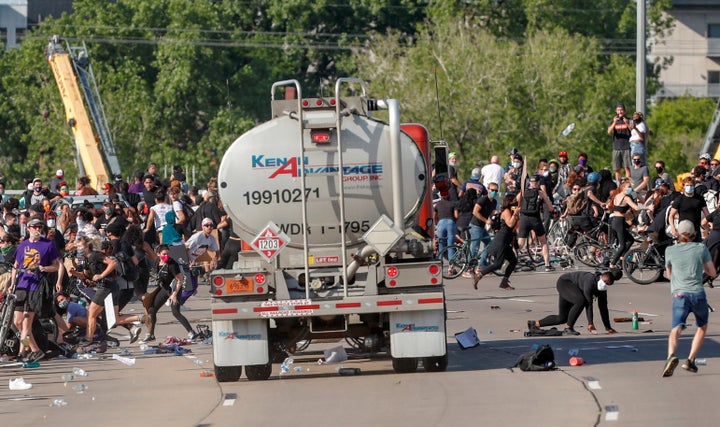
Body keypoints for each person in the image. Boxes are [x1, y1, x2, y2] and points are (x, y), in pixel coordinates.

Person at [662, 220, 717, 377]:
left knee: (676, 329)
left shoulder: (670, 250)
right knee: (702, 326)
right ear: (694, 234)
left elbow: (668, 275)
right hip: (697, 293)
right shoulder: (701, 248)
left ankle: (671, 356)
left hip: (679, 295)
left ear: (678, 234)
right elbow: (712, 272)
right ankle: (691, 360)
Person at [11, 218, 61, 362]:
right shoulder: (23, 245)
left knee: (27, 323)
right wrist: (12, 283)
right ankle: (33, 349)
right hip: (22, 286)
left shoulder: (48, 244)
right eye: (34, 227)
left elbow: (56, 266)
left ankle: (23, 352)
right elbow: (16, 264)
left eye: (40, 227)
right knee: (18, 322)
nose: (37, 229)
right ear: (28, 229)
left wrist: (44, 268)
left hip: (36, 288)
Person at [527, 269, 622, 336]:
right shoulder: (589, 282)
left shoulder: (602, 289)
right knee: (581, 301)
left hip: (572, 288)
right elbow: (589, 304)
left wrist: (608, 327)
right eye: (605, 282)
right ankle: (568, 328)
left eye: (608, 284)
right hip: (565, 283)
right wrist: (590, 323)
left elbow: (603, 307)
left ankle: (534, 324)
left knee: (562, 318)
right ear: (601, 277)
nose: (605, 285)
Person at [141, 244, 187, 343]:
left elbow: (180, 280)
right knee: (152, 309)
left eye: (168, 254)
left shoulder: (172, 264)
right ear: (158, 254)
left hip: (175, 288)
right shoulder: (157, 262)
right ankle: (151, 334)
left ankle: (192, 333)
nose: (166, 256)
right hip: (165, 289)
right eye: (164, 254)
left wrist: (174, 294)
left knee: (176, 312)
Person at [472, 195, 519, 290]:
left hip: (507, 240)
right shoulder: (506, 211)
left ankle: (504, 282)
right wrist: (515, 214)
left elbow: (516, 226)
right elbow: (510, 224)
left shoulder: (512, 212)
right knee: (498, 264)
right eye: (513, 201)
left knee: (513, 261)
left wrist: (517, 215)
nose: (515, 203)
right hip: (501, 240)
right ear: (509, 202)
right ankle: (479, 275)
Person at [515, 175, 555, 271]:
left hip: (524, 219)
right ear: (538, 183)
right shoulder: (540, 193)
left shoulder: (523, 192)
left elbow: (516, 200)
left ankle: (511, 263)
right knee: (543, 242)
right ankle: (547, 265)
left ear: (530, 183)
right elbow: (550, 207)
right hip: (535, 219)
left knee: (520, 243)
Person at [607, 179, 645, 269]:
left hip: (615, 221)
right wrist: (647, 207)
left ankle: (621, 258)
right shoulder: (626, 198)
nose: (630, 189)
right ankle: (612, 264)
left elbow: (614, 208)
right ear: (623, 188)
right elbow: (636, 207)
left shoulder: (617, 196)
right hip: (619, 222)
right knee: (623, 245)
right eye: (629, 187)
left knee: (630, 240)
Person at [668, 176, 709, 243]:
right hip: (683, 232)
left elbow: (707, 214)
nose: (689, 187)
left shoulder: (699, 199)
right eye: (687, 185)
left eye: (691, 185)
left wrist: (710, 225)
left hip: (696, 231)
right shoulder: (679, 199)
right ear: (684, 186)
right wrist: (673, 228)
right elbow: (671, 215)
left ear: (694, 186)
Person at [608, 103, 632, 183]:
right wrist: (614, 122)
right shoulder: (613, 121)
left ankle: (626, 183)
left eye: (621, 110)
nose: (620, 112)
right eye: (618, 110)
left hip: (626, 147)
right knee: (617, 168)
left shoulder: (628, 120)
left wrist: (627, 123)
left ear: (624, 111)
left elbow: (632, 130)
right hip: (616, 147)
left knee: (627, 167)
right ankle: (618, 183)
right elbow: (609, 131)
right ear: (616, 111)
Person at [435, 192, 457, 275]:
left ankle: (440, 267)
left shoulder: (438, 205)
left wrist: (437, 223)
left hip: (440, 223)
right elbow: (456, 215)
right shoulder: (453, 204)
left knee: (441, 245)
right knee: (450, 245)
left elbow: (434, 216)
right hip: (451, 222)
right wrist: (454, 221)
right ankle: (451, 268)